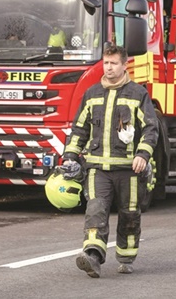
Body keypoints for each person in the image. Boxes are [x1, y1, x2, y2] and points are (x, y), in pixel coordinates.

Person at [63, 45, 159, 278]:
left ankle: (126, 256)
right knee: (95, 208)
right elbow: (79, 128)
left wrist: (142, 155)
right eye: (106, 63)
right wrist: (70, 157)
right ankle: (93, 255)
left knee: (129, 214)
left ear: (124, 65)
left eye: (114, 63)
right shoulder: (92, 93)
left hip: (129, 169)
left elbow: (150, 128)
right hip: (98, 167)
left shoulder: (138, 94)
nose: (108, 67)